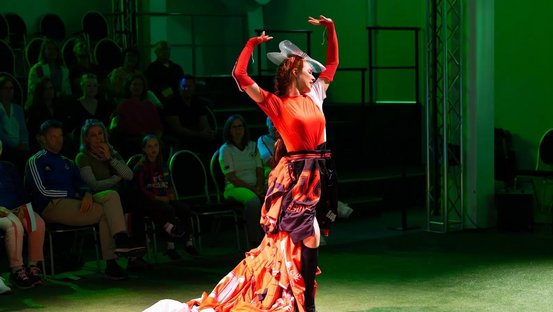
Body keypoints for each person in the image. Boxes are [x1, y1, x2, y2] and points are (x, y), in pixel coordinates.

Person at [145, 15, 338, 312]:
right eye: (308, 70)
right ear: (294, 71)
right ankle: (307, 303)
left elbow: (333, 65)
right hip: (296, 175)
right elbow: (240, 75)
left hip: (318, 174)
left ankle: (301, 297)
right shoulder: (276, 103)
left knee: (303, 238)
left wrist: (331, 29)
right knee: (308, 235)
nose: (314, 75)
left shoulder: (315, 94)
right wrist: (250, 44)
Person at [25, 119, 146, 280]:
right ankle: (114, 256)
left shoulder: (66, 161)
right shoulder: (36, 160)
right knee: (106, 209)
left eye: (60, 136)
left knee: (111, 197)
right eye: (53, 136)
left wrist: (87, 193)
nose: (58, 140)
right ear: (43, 139)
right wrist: (78, 195)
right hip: (51, 205)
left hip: (74, 203)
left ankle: (117, 248)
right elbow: (41, 190)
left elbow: (84, 184)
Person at [75, 119, 151, 270]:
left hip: (114, 195)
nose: (98, 138)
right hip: (96, 197)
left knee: (137, 202)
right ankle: (121, 243)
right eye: (93, 135)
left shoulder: (112, 152)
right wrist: (116, 179)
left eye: (100, 134)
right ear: (86, 139)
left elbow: (129, 175)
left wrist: (110, 159)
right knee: (114, 197)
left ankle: (135, 253)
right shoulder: (82, 157)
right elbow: (93, 185)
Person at [133, 134, 198, 260]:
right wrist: (158, 198)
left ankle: (188, 242)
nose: (153, 149)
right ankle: (170, 246)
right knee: (167, 210)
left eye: (156, 145)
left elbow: (168, 184)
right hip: (151, 202)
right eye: (150, 146)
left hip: (165, 198)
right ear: (144, 149)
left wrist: (170, 194)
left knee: (184, 209)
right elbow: (141, 190)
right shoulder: (140, 168)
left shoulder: (163, 165)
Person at [0, 139, 46, 289]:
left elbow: (22, 192)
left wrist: (24, 207)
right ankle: (16, 270)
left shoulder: (9, 167)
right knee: (14, 224)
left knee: (36, 221)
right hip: (2, 212)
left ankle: (33, 266)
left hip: (16, 208)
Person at [219, 114, 264, 247]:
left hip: (255, 185)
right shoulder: (225, 149)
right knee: (253, 201)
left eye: (240, 126)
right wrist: (254, 190)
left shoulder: (253, 146)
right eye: (234, 127)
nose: (237, 130)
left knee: (276, 196)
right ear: (229, 130)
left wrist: (260, 186)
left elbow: (259, 169)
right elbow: (231, 177)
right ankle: (255, 241)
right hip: (234, 187)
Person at [110, 74, 163, 159]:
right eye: (134, 84)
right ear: (129, 86)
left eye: (140, 85)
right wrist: (148, 138)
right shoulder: (124, 104)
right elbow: (129, 126)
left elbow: (157, 125)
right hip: (134, 138)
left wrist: (156, 138)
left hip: (151, 137)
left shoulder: (149, 105)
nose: (137, 87)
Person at [162, 74, 217, 156]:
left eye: (189, 86)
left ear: (194, 87)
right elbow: (178, 129)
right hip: (180, 137)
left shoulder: (198, 102)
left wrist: (207, 132)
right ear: (179, 87)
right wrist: (199, 134)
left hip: (197, 135)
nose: (186, 88)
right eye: (184, 86)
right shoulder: (172, 103)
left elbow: (204, 123)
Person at [27, 38, 72, 108]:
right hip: (40, 104)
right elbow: (38, 89)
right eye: (49, 49)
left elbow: (67, 90)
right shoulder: (39, 69)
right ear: (44, 52)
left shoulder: (63, 70)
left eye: (54, 49)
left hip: (59, 104)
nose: (52, 51)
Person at [0, 75, 30, 173]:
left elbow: (23, 129)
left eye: (11, 88)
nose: (9, 91)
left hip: (21, 146)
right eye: (6, 88)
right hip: (6, 148)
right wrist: (16, 146)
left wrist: (24, 142)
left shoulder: (18, 109)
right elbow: (1, 134)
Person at [145, 40, 185, 106]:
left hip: (178, 100)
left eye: (167, 49)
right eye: (163, 49)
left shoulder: (177, 68)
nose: (165, 52)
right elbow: (150, 86)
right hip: (160, 102)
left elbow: (182, 83)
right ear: (156, 52)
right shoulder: (151, 68)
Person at [257, 116, 280, 183]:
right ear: (268, 126)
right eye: (272, 124)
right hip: (273, 180)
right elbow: (272, 164)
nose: (275, 126)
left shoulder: (289, 138)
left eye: (277, 123)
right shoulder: (263, 139)